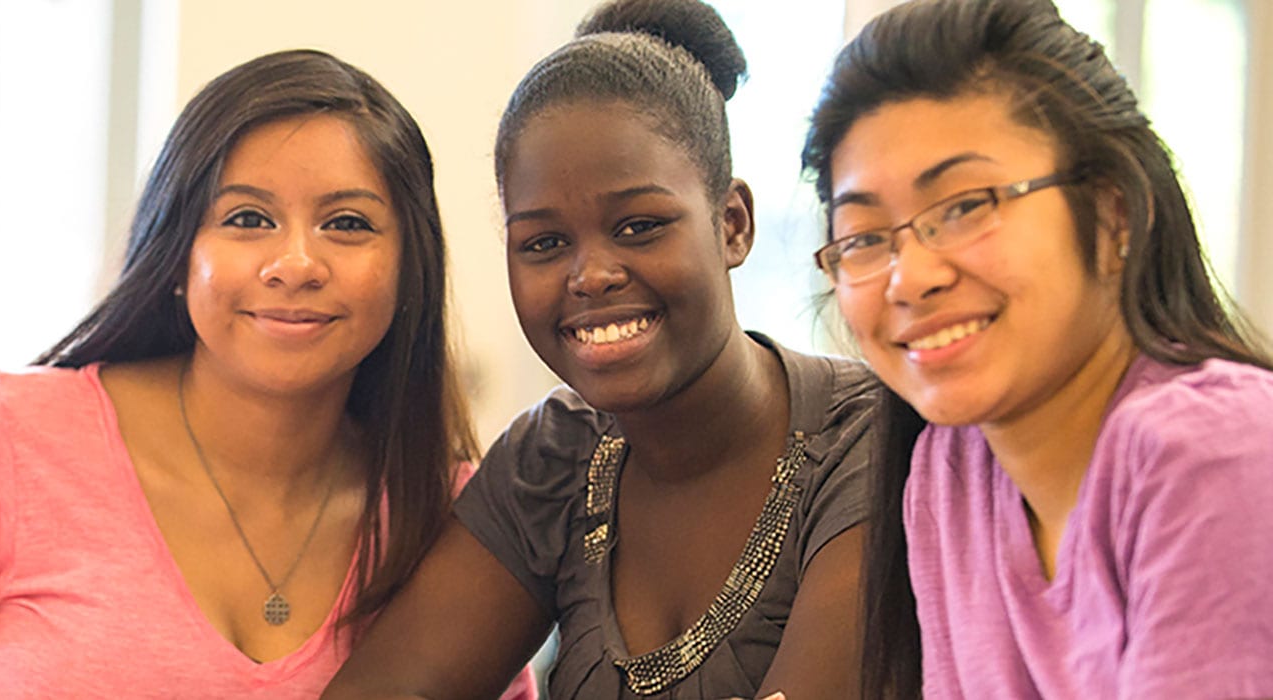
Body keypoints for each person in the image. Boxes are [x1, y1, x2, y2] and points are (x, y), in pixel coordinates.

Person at [0, 49, 533, 699]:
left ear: (409, 267)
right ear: (178, 255)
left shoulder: (454, 525)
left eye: (348, 224)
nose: (295, 262)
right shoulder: (7, 443)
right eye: (248, 218)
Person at [322, 1, 881, 698]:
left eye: (640, 225)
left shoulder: (869, 444)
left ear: (732, 224)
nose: (591, 275)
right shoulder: (555, 458)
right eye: (544, 243)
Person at [801, 0, 1273, 697]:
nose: (911, 277)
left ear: (1113, 212)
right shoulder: (954, 468)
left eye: (964, 206)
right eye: (867, 237)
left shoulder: (1214, 452)